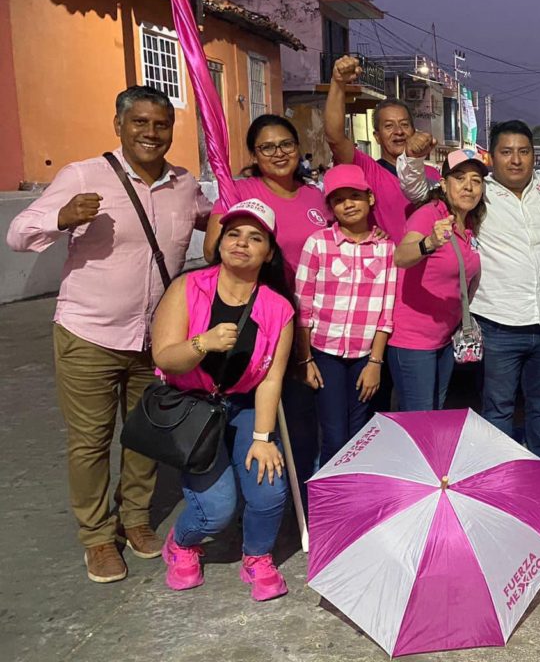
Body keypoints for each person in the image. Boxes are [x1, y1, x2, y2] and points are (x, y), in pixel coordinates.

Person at [6, 86, 211, 583]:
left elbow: (215, 219)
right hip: (89, 334)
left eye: (161, 124)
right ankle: (97, 536)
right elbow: (18, 234)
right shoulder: (83, 175)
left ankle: (135, 518)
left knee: (145, 434)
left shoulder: (184, 183)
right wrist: (61, 217)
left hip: (154, 337)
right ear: (119, 125)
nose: (151, 133)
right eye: (140, 122)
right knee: (90, 442)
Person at [399, 120, 540, 505]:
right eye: (506, 152)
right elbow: (420, 189)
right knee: (498, 409)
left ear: (534, 156)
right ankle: (501, 479)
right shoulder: (480, 191)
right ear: (493, 157)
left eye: (523, 151)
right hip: (497, 324)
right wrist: (412, 157)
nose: (516, 159)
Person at [152, 199, 294, 601]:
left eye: (255, 238)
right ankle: (182, 543)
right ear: (219, 242)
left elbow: (270, 379)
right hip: (192, 407)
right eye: (233, 234)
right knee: (216, 509)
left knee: (269, 489)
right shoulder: (187, 287)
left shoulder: (278, 308)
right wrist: (203, 343)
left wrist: (263, 438)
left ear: (269, 253)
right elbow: (165, 358)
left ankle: (257, 556)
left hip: (243, 404)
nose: (241, 243)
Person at [203, 114, 326, 508]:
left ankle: (302, 499)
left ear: (298, 148)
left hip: (309, 323)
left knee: (302, 415)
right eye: (267, 147)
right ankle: (255, 501)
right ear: (254, 156)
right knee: (255, 414)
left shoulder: (315, 196)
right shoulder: (239, 191)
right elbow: (212, 252)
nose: (278, 153)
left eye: (286, 144)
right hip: (257, 321)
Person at [323, 56, 441, 416]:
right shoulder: (366, 170)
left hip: (425, 300)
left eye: (404, 124)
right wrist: (338, 84)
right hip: (381, 298)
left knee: (420, 401)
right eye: (388, 126)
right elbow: (334, 136)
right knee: (374, 400)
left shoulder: (435, 178)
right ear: (376, 136)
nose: (398, 132)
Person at [295, 166, 396, 463]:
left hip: (365, 355)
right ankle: (329, 490)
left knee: (360, 432)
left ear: (370, 199)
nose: (348, 204)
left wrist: (375, 362)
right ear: (330, 206)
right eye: (339, 200)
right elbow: (303, 307)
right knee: (335, 435)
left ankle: (355, 488)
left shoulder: (386, 248)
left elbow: (386, 311)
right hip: (325, 352)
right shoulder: (318, 243)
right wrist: (305, 359)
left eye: (355, 196)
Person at [390, 150, 487, 410]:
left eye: (476, 180)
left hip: (445, 337)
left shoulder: (469, 224)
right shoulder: (430, 214)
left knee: (436, 410)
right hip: (414, 340)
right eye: (460, 178)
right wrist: (429, 243)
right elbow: (401, 256)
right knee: (420, 417)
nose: (468, 186)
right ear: (443, 184)